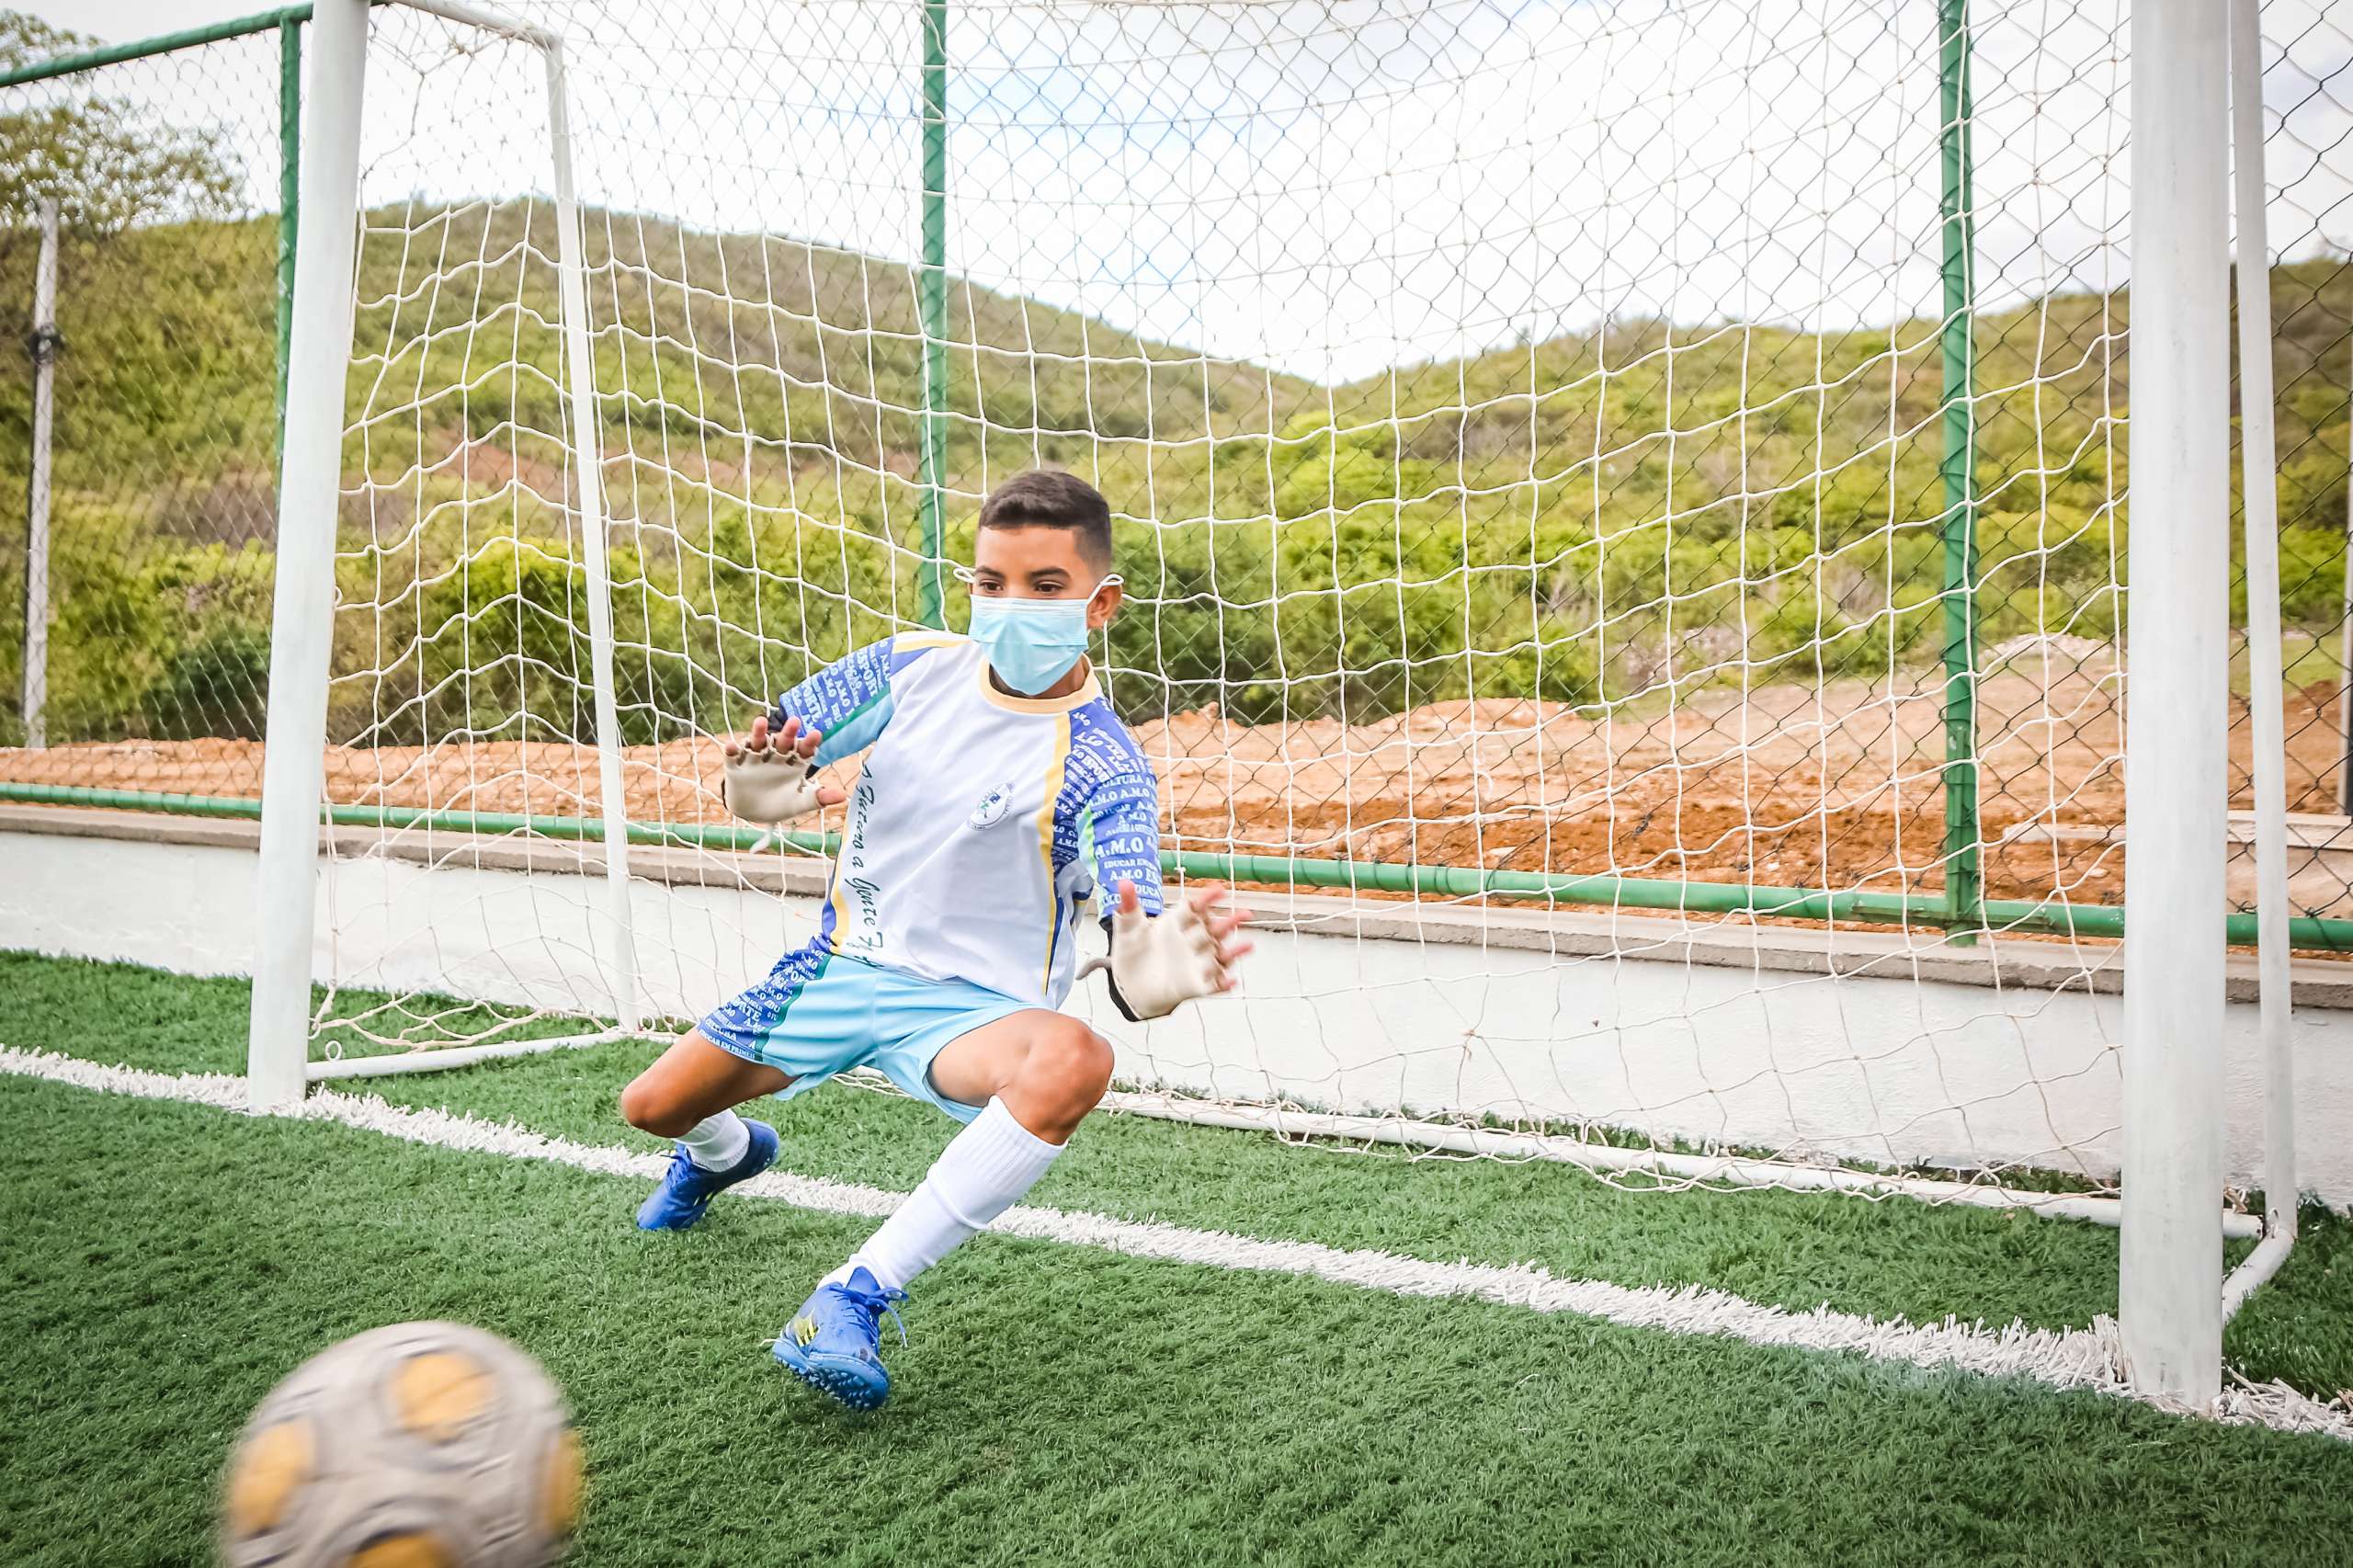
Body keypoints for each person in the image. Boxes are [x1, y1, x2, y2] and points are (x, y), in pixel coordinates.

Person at [617, 468, 1251, 1410]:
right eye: (992, 583)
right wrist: (756, 788)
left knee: (1077, 1057)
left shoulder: (1105, 763)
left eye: (1044, 587)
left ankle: (850, 1295)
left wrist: (1151, 965)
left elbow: (1134, 933)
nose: (1010, 606)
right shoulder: (907, 667)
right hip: (834, 970)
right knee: (650, 1104)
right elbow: (778, 750)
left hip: (972, 1014)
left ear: (1100, 603)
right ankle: (725, 1154)